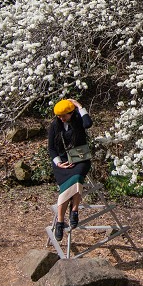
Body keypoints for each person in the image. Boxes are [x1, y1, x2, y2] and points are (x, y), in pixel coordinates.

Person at [48, 98, 94, 242]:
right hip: (63, 162)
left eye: (64, 116)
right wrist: (58, 163)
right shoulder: (55, 126)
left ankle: (74, 210)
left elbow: (88, 123)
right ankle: (61, 221)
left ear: (71, 112)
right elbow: (51, 148)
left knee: (77, 178)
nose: (61, 118)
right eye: (59, 116)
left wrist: (80, 106)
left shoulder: (78, 121)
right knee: (68, 187)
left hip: (80, 160)